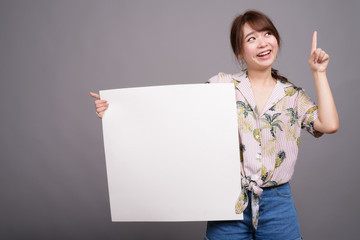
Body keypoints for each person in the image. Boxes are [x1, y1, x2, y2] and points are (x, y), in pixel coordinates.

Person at [90, 10, 338, 240]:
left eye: (267, 34)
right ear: (239, 51)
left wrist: (319, 73)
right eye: (251, 38)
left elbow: (328, 124)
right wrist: (117, 114)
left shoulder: (292, 95)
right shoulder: (220, 86)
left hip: (277, 203)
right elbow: (175, 120)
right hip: (227, 202)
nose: (263, 43)